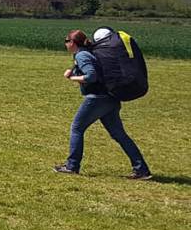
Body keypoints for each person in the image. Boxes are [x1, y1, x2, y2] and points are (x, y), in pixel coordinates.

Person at [54, 30, 152, 180]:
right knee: (119, 135)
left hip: (97, 98)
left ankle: (72, 166)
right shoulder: (88, 53)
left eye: (66, 41)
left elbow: (91, 76)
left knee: (77, 128)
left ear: (72, 43)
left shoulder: (82, 55)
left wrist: (73, 77)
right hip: (110, 98)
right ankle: (141, 170)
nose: (66, 44)